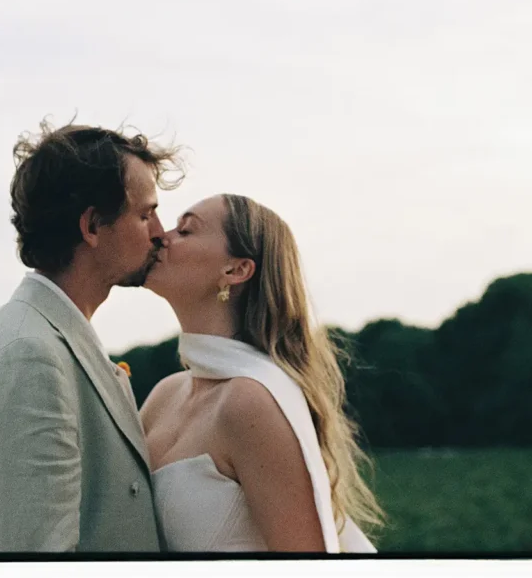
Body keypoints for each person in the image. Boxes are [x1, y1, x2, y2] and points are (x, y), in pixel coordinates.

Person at [0, 120, 184, 552]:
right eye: (145, 214)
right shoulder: (27, 355)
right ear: (92, 226)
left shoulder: (46, 337)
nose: (159, 232)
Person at [140, 194, 384, 552]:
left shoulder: (251, 401)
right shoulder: (164, 394)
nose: (163, 235)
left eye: (186, 230)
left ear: (236, 270)